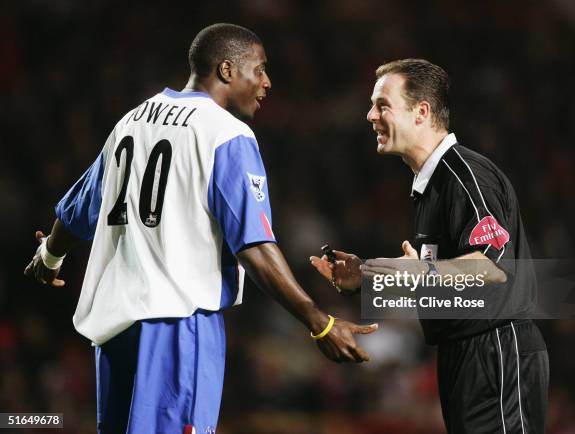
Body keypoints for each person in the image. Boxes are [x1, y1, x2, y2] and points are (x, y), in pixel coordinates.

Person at [23, 23, 377, 434]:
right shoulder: (226, 134)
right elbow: (254, 247)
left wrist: (50, 255)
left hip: (114, 333)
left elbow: (78, 209)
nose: (267, 82)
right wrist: (320, 322)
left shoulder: (132, 120)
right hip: (177, 327)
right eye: (259, 69)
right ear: (227, 70)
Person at [311, 59, 548, 434]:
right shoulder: (433, 183)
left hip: (494, 351)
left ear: (421, 112)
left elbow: (493, 266)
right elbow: (440, 280)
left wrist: (421, 271)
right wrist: (368, 277)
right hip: (465, 354)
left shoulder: (465, 175)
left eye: (383, 104)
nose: (370, 115)